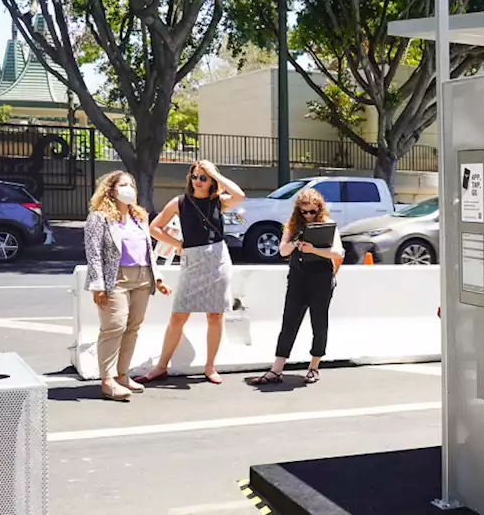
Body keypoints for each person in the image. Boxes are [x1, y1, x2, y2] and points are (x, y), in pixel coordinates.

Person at [140, 161, 246, 385]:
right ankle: (161, 366)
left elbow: (239, 195)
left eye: (203, 178)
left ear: (211, 182)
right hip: (192, 259)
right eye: (195, 176)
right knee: (179, 315)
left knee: (215, 315)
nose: (198, 181)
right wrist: (177, 243)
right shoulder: (180, 202)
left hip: (218, 258)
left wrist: (216, 174)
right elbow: (154, 227)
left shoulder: (219, 201)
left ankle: (210, 366)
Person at [83, 171, 169, 401]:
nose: (128, 188)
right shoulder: (99, 217)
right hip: (116, 278)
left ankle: (122, 375)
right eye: (123, 185)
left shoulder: (139, 217)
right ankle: (107, 380)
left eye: (131, 184)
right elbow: (94, 253)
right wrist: (98, 285)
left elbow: (148, 250)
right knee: (114, 326)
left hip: (142, 277)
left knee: (132, 327)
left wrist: (157, 277)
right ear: (111, 189)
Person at [249, 188, 345, 386]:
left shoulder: (327, 225)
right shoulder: (293, 226)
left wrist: (314, 249)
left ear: (319, 209)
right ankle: (277, 369)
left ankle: (314, 366)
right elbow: (283, 251)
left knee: (319, 323)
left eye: (312, 211)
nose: (309, 215)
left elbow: (337, 253)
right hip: (298, 277)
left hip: (321, 278)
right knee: (289, 322)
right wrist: (296, 241)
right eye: (304, 212)